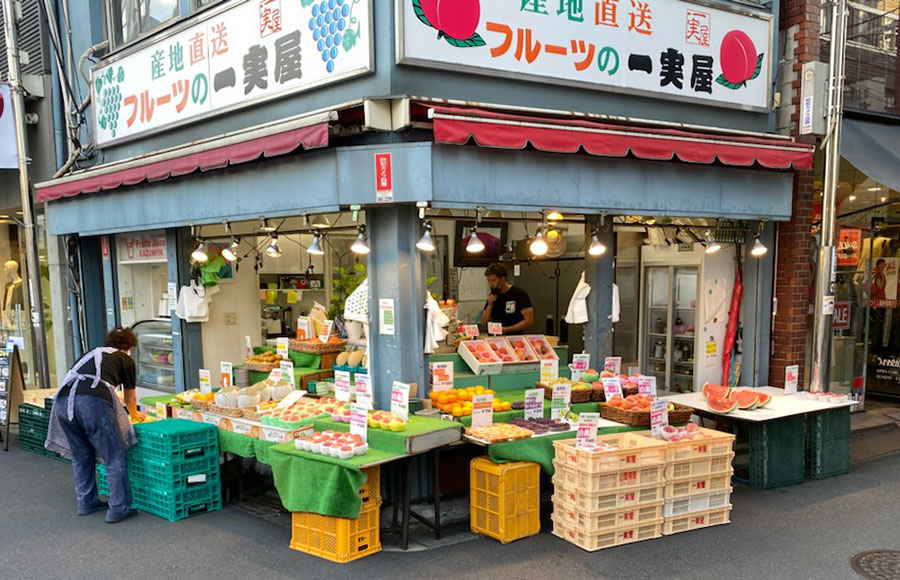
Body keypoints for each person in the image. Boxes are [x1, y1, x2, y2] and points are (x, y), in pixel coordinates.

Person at [45, 327, 145, 523]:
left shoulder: (90, 353)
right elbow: (130, 398)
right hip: (91, 402)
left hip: (63, 402)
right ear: (128, 347)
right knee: (114, 454)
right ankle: (119, 507)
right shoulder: (125, 359)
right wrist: (134, 414)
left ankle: (87, 501)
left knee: (82, 455)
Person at [480, 263, 534, 334]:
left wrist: (506, 329)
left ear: (502, 279)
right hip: (495, 338)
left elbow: (529, 321)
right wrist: (490, 305)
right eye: (488, 281)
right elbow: (483, 322)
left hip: (514, 338)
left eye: (493, 280)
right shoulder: (493, 295)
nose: (491, 284)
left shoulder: (519, 294)